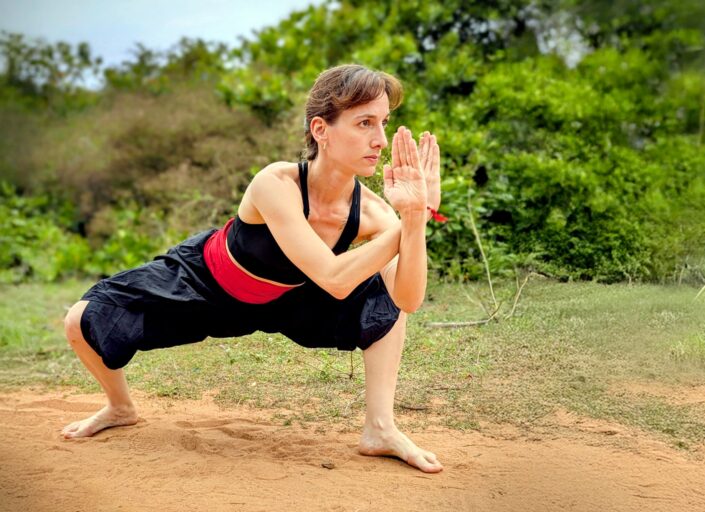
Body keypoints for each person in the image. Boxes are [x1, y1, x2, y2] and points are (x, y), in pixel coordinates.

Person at [62, 64, 444, 473]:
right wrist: (409, 219)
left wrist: (417, 217)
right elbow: (334, 278)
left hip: (293, 300)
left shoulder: (372, 211)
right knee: (81, 318)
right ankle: (120, 408)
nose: (380, 140)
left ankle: (380, 428)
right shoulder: (275, 183)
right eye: (365, 122)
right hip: (208, 284)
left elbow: (408, 299)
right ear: (321, 130)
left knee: (383, 290)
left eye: (384, 123)